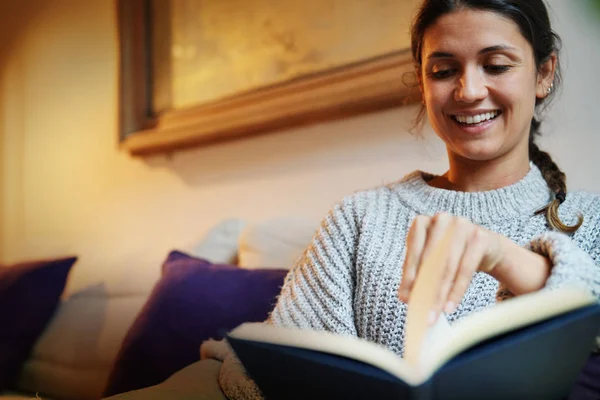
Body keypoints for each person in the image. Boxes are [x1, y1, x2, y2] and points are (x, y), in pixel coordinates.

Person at [211, 0, 600, 398]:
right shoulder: (359, 218)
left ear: (544, 72)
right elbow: (262, 371)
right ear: (422, 82)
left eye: (497, 66)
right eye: (444, 71)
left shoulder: (593, 222)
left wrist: (499, 255)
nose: (468, 91)